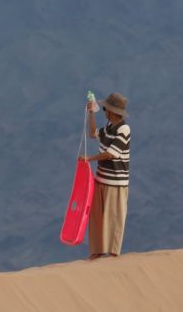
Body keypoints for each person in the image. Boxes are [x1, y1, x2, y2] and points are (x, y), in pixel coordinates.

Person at [81, 92, 130, 259]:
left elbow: (111, 154)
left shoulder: (124, 129)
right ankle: (97, 252)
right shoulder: (108, 128)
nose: (104, 112)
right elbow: (93, 133)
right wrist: (91, 113)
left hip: (116, 183)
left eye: (105, 109)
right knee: (97, 219)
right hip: (101, 180)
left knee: (113, 219)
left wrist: (90, 158)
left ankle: (113, 255)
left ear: (113, 111)